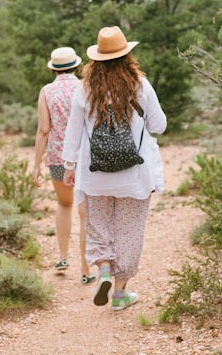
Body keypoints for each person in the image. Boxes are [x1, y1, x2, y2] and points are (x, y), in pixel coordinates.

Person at [62, 26, 166, 311]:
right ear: (127, 56)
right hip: (134, 175)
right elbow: (159, 125)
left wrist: (68, 165)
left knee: (98, 227)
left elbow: (72, 132)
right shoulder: (140, 85)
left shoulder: (85, 89)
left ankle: (104, 271)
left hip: (95, 174)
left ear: (95, 60)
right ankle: (120, 293)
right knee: (129, 231)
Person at [33, 46, 96, 285]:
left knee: (63, 204)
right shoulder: (85, 87)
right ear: (77, 66)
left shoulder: (47, 91)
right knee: (85, 212)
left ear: (53, 69)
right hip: (86, 158)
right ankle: (85, 269)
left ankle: (62, 257)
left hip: (58, 158)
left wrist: (36, 164)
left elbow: (43, 130)